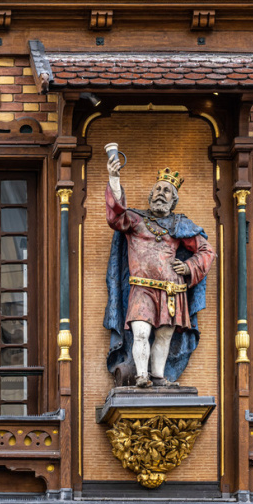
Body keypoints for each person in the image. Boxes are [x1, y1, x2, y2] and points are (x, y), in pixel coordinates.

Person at [104, 155, 215, 387]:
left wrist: (188, 266)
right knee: (141, 333)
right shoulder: (135, 220)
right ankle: (142, 377)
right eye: (158, 189)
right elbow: (116, 217)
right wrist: (114, 179)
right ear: (151, 195)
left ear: (173, 201)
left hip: (172, 290)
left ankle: (157, 376)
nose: (162, 193)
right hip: (142, 288)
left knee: (164, 336)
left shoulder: (179, 225)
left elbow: (206, 251)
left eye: (167, 191)